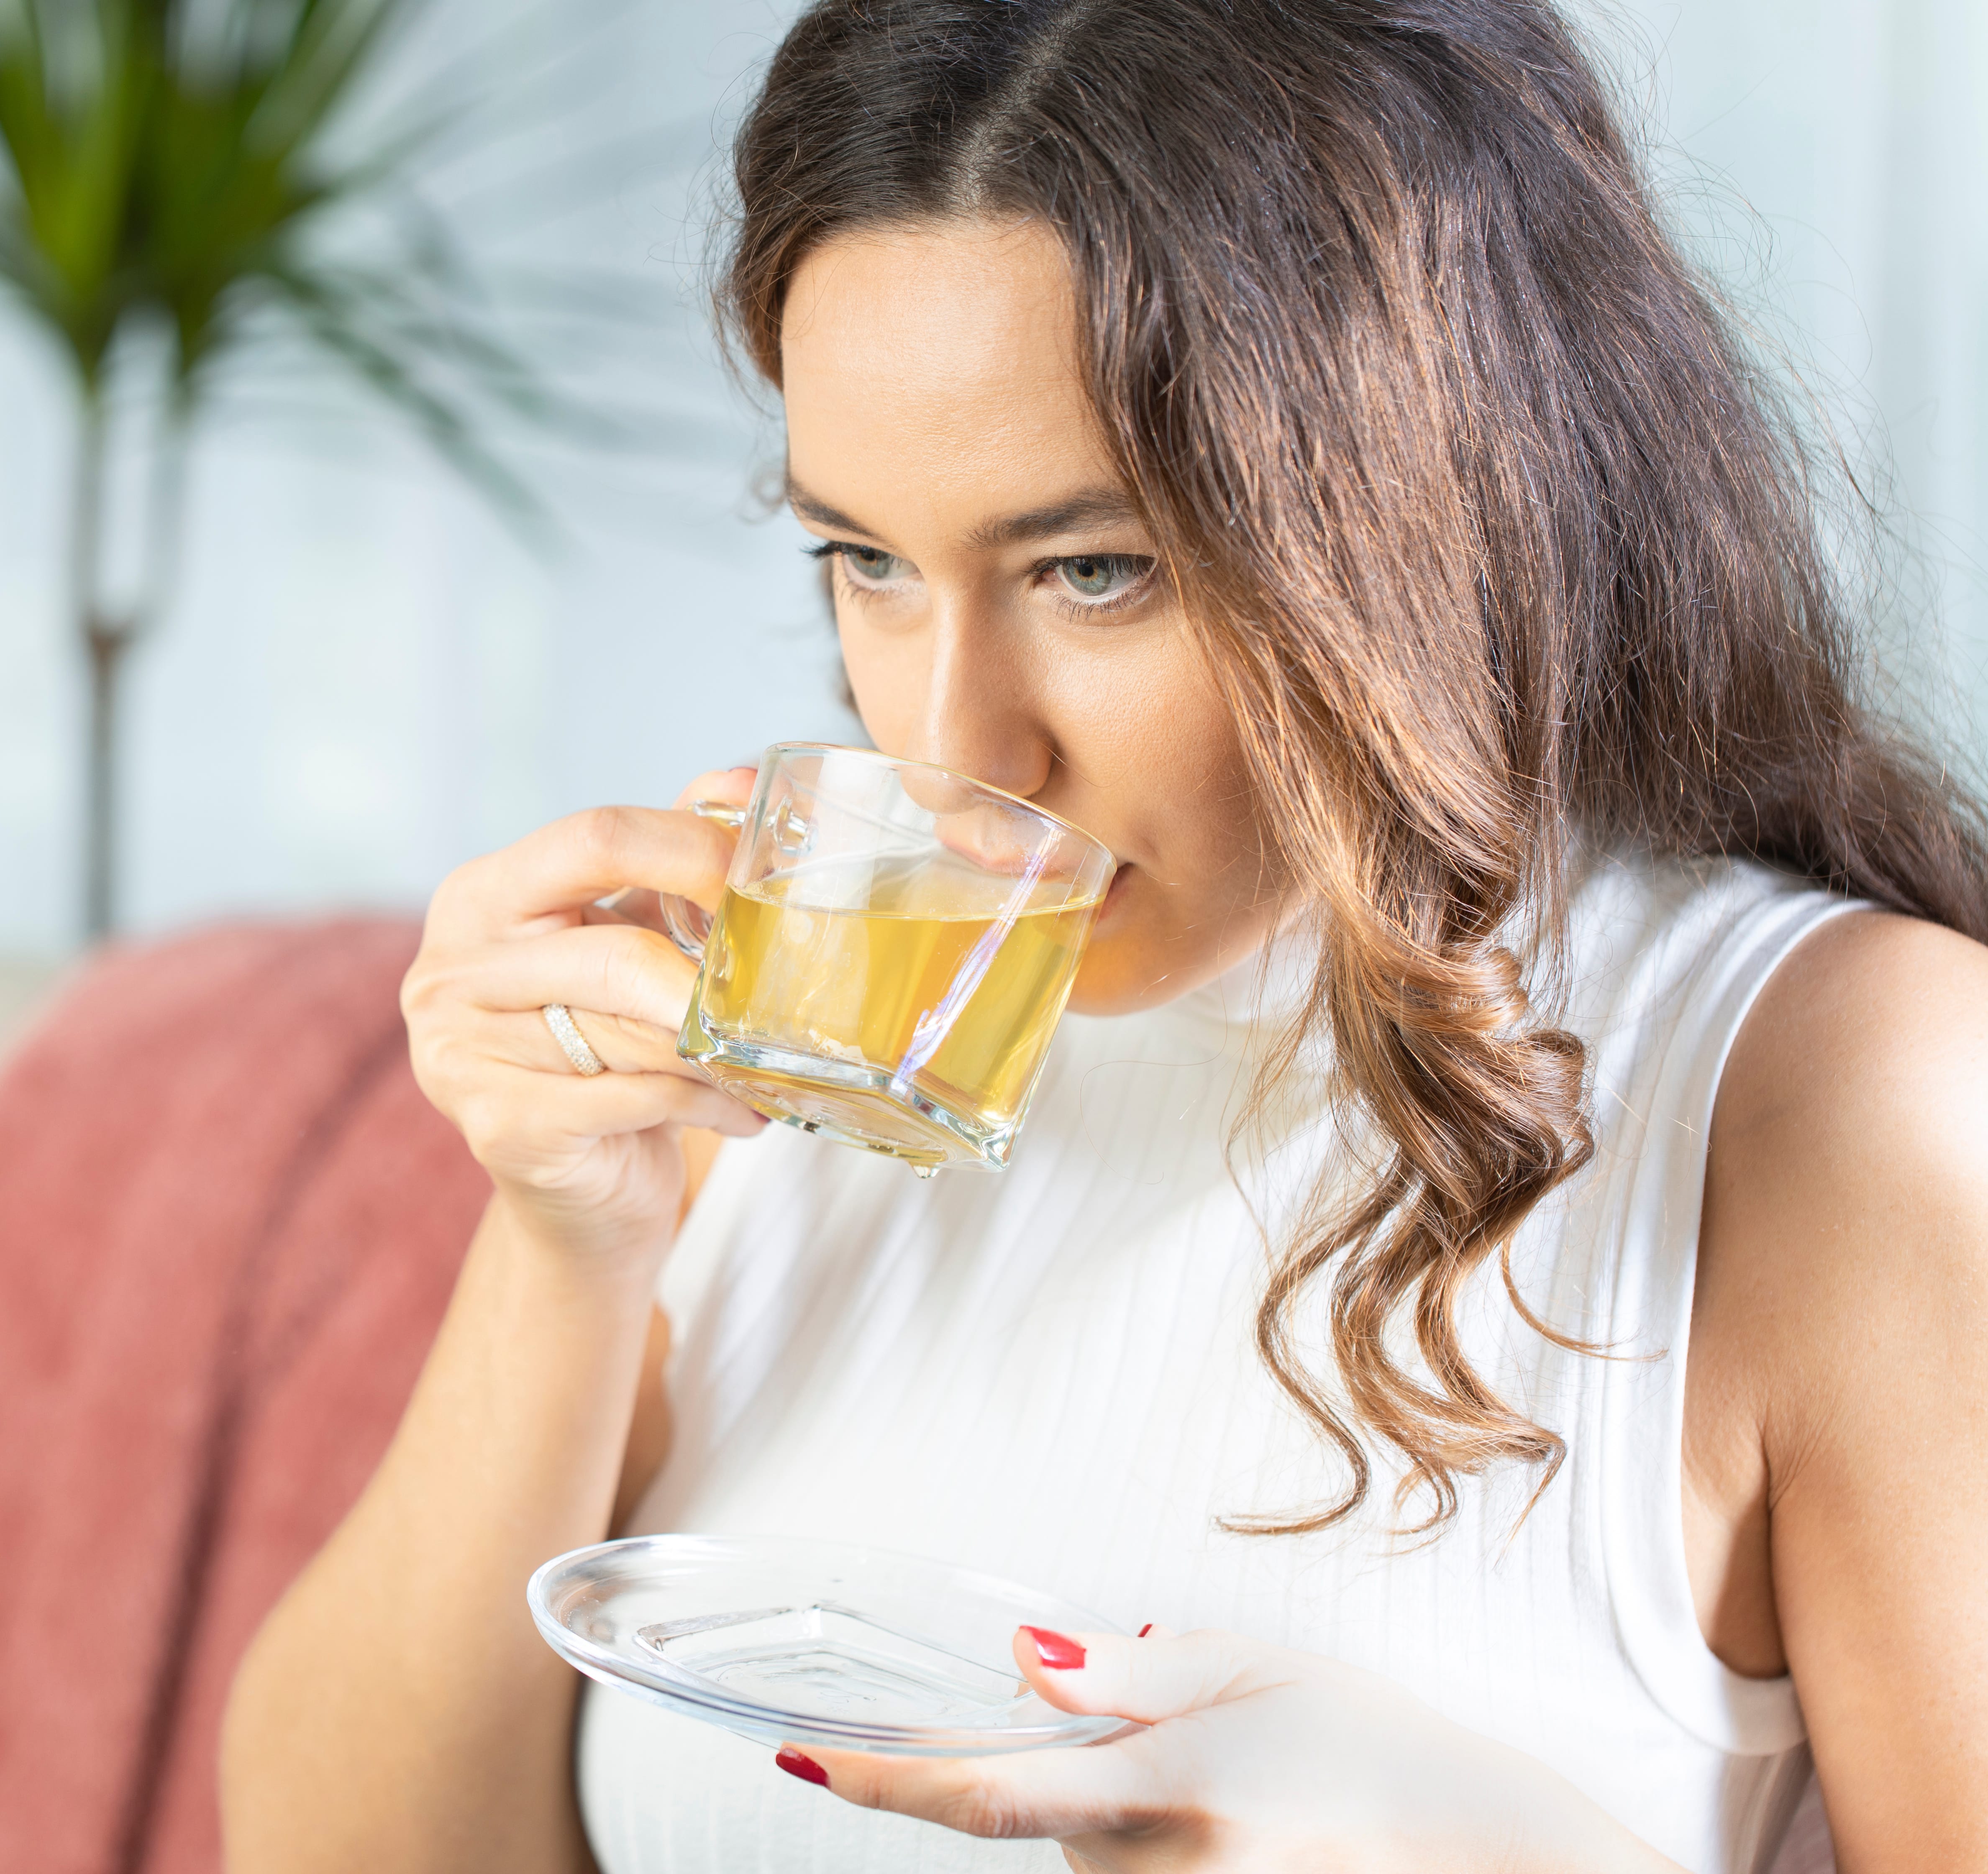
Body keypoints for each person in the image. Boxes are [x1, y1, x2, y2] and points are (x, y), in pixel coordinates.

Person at [218, 1, 1988, 1868]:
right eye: (872, 563)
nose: (954, 743)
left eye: (1096, 569)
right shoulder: (837, 1069)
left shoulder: (1853, 1095)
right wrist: (567, 1241)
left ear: (1436, 512)